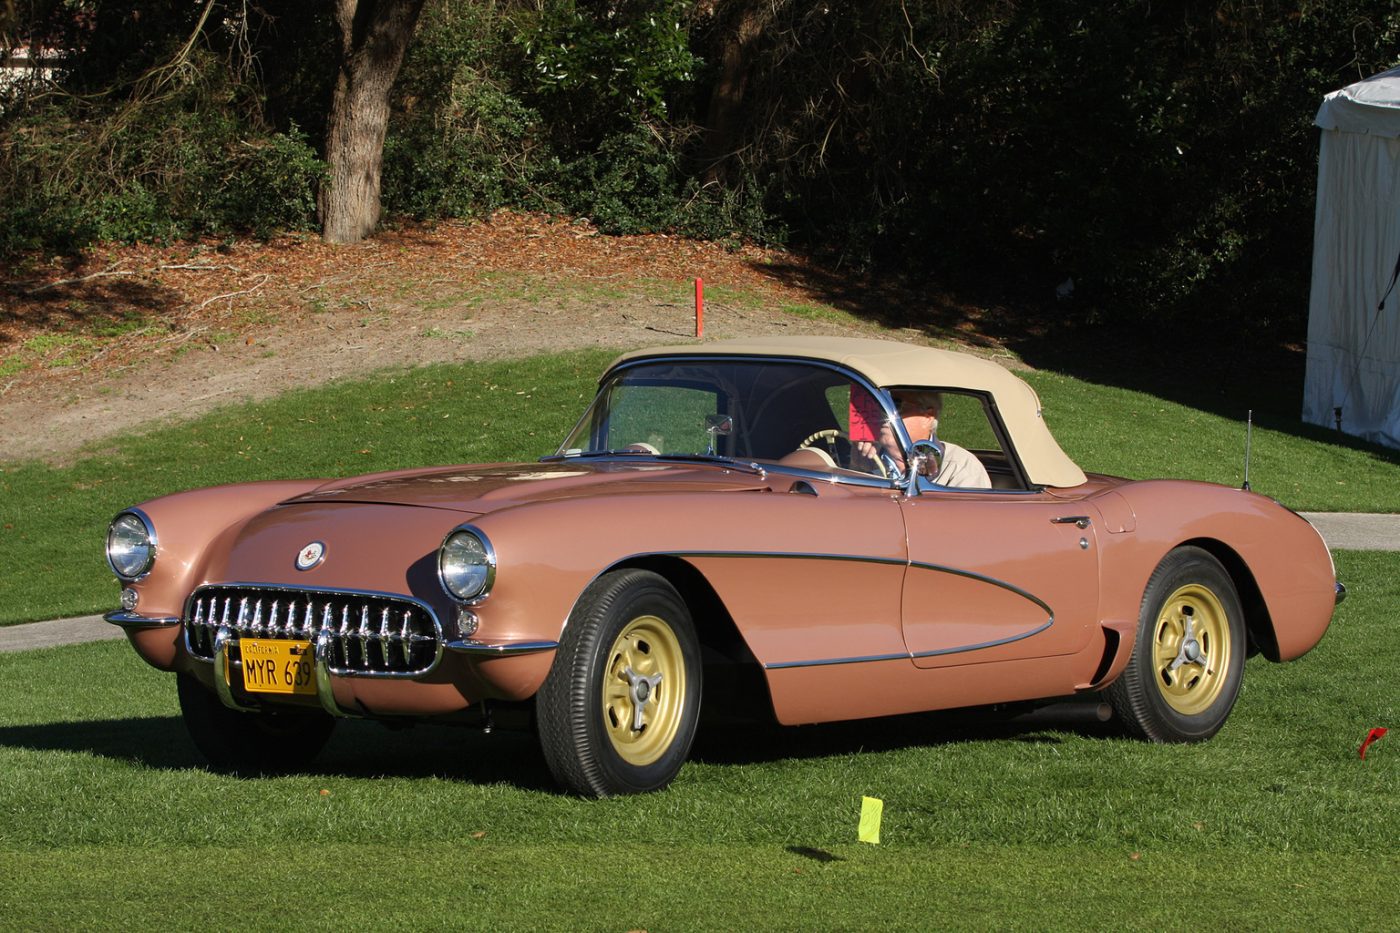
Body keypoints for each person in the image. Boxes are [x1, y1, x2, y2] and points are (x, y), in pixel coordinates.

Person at [858, 390, 990, 488]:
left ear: (928, 416)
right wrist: (856, 468)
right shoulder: (863, 460)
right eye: (879, 404)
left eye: (896, 405)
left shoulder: (960, 467)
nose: (883, 413)